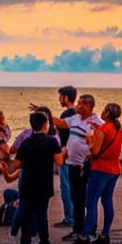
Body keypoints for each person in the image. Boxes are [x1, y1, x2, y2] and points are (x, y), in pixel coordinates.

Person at [47, 94, 102, 243]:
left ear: (87, 106)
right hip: (71, 164)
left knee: (86, 199)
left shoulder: (97, 123)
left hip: (85, 166)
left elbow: (99, 146)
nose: (77, 106)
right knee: (75, 198)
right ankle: (77, 229)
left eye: (80, 104)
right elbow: (60, 123)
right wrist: (46, 113)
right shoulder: (75, 119)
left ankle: (90, 230)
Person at [70, 103, 122, 244]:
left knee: (91, 202)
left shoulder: (103, 129)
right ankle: (104, 235)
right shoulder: (119, 129)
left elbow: (94, 151)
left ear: (107, 113)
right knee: (107, 202)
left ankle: (84, 237)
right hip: (114, 169)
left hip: (100, 169)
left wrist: (89, 140)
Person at [11, 111, 63, 244]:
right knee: (41, 214)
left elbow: (16, 164)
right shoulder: (52, 141)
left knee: (26, 214)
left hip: (27, 182)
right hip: (43, 183)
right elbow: (59, 161)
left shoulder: (26, 142)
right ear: (46, 125)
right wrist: (64, 152)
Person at [54, 86, 77, 228]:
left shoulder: (66, 115)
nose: (59, 99)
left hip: (65, 154)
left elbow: (60, 132)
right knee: (75, 186)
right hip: (75, 155)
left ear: (66, 98)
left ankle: (69, 217)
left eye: (60, 96)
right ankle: (76, 214)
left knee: (66, 186)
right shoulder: (77, 114)